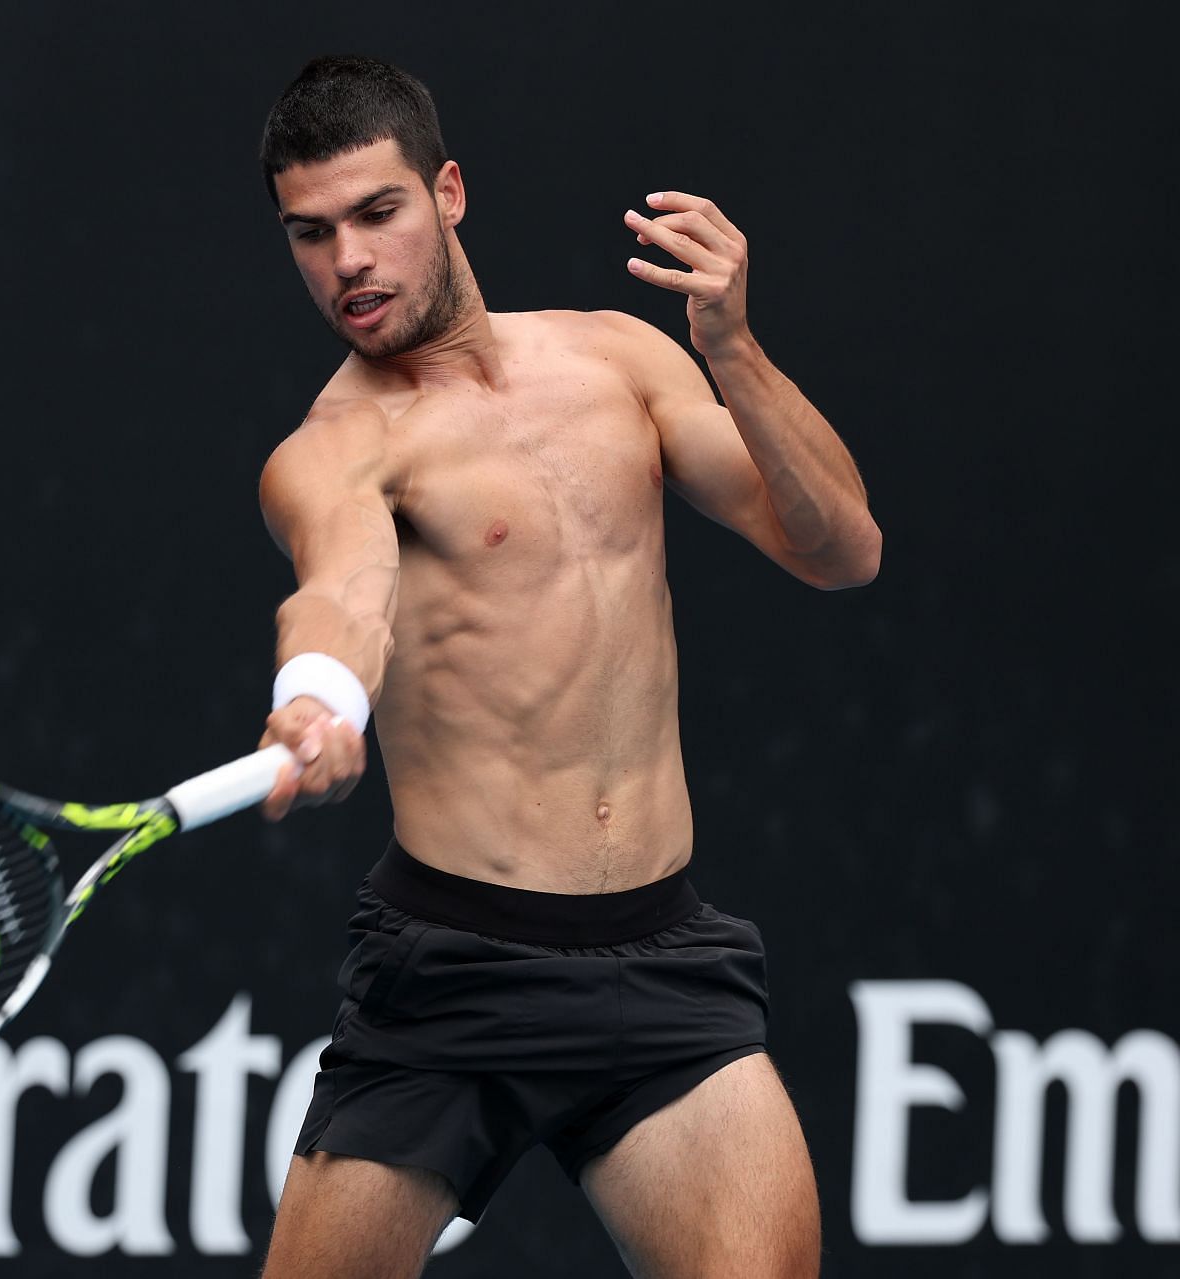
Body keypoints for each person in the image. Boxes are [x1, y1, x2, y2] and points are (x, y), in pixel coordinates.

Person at [250, 58, 880, 1279]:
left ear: (449, 194)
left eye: (376, 215)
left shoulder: (622, 363)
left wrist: (733, 348)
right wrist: (314, 695)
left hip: (661, 961)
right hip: (450, 975)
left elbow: (840, 548)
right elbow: (340, 590)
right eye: (311, 235)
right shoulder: (333, 448)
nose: (348, 264)